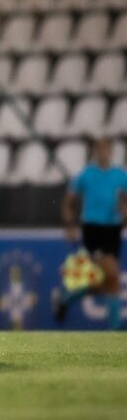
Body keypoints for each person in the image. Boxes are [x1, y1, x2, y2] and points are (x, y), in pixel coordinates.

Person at [56, 136, 127, 329]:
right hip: (92, 229)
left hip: (113, 229)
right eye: (99, 148)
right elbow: (69, 202)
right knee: (111, 274)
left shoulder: (121, 176)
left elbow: (125, 204)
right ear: (95, 151)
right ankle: (114, 333)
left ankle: (65, 297)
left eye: (106, 148)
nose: (103, 152)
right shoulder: (86, 175)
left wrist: (124, 210)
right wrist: (69, 226)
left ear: (111, 151)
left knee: (99, 281)